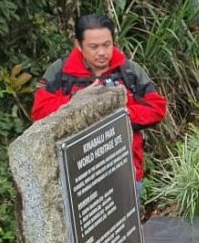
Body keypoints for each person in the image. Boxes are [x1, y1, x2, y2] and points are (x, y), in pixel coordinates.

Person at [32, 14, 168, 197]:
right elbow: (39, 112)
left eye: (107, 45)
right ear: (78, 45)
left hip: (125, 171)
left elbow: (157, 108)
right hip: (77, 178)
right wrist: (77, 102)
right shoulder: (60, 72)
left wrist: (119, 115)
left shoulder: (129, 71)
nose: (102, 52)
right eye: (94, 47)